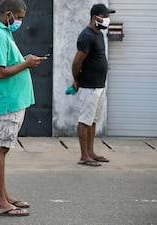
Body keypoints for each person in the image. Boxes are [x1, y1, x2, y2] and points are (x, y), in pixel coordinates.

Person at [0, 0, 46, 217]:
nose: (20, 22)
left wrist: (24, 60)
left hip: (13, 99)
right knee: (0, 148)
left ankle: (4, 195)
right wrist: (26, 64)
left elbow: (8, 63)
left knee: (3, 147)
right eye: (19, 18)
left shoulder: (2, 32)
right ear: (9, 14)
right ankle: (0, 202)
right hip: (8, 101)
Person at [72, 4, 115, 167]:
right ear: (95, 17)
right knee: (85, 120)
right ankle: (84, 156)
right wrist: (76, 80)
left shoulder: (99, 34)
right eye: (104, 16)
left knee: (93, 120)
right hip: (88, 87)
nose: (106, 19)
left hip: (99, 86)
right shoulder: (86, 36)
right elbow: (77, 62)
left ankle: (91, 152)